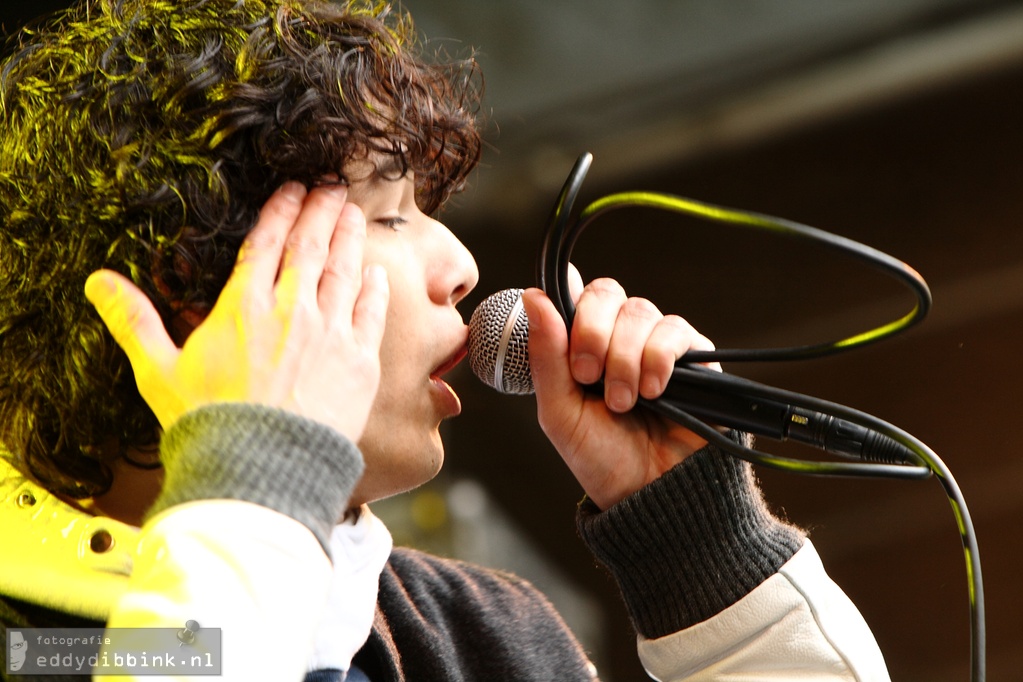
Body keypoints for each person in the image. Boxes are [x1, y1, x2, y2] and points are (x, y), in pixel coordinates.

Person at [0, 1, 890, 680]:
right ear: (190, 286)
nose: (461, 265)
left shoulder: (481, 637)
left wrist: (705, 555)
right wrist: (257, 480)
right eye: (386, 216)